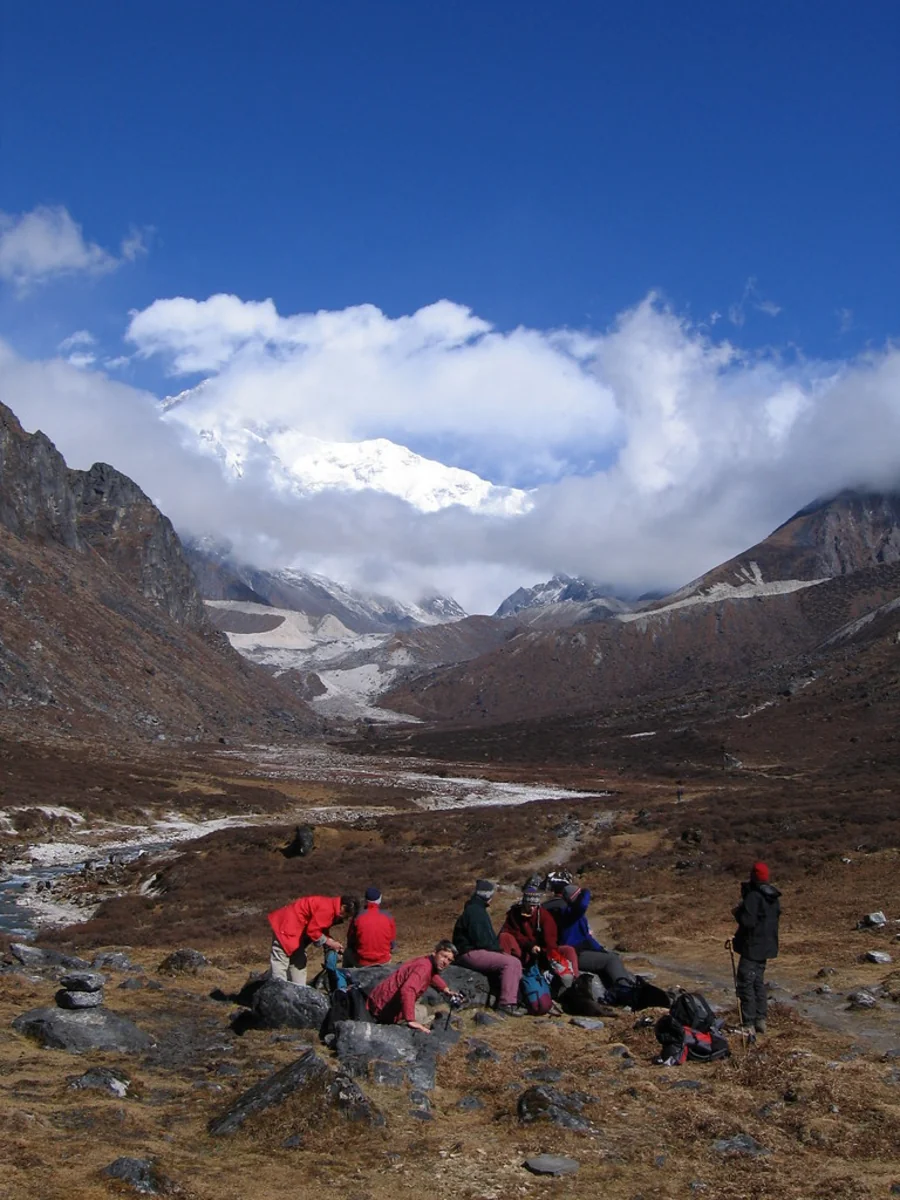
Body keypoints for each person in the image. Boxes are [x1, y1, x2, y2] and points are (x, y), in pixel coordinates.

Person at [544, 881, 637, 993]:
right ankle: (626, 992)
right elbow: (582, 905)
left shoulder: (574, 915)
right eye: (578, 896)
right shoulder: (569, 915)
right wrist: (585, 891)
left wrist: (600, 950)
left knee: (611, 956)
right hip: (577, 954)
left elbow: (587, 938)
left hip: (583, 950)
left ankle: (621, 988)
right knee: (612, 960)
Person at [452, 879, 524, 1016]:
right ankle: (506, 1003)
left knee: (512, 962)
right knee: (511, 962)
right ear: (487, 896)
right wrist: (498, 951)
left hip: (469, 951)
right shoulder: (476, 912)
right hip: (470, 952)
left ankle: (514, 999)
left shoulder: (474, 909)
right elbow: (482, 940)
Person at [367, 939, 462, 1033]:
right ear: (435, 952)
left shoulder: (425, 961)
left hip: (377, 1001)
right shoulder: (424, 968)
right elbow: (408, 990)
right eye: (443, 956)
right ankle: (402, 1023)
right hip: (384, 1011)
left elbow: (431, 975)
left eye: (449, 960)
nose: (445, 962)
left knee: (418, 1000)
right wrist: (411, 1020)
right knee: (429, 1012)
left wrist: (445, 989)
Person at [267, 893, 359, 985]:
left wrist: (331, 942)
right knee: (280, 964)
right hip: (286, 929)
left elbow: (320, 928)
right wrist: (329, 943)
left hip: (294, 930)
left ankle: (300, 990)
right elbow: (312, 931)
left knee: (298, 963)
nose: (346, 918)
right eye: (347, 915)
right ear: (343, 907)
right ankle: (279, 991)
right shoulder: (327, 909)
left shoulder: (329, 906)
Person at [732, 861, 781, 1035]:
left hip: (752, 947)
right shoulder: (772, 896)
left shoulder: (754, 896)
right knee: (758, 983)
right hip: (766, 947)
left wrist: (738, 912)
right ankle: (761, 1020)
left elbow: (748, 921)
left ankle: (748, 1024)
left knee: (745, 983)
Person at [498, 883, 579, 976]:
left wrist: (544, 951)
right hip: (522, 949)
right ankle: (503, 972)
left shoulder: (544, 916)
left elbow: (551, 940)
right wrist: (529, 945)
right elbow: (512, 932)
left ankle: (575, 980)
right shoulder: (515, 913)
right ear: (524, 904)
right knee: (504, 937)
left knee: (569, 950)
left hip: (543, 951)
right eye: (530, 905)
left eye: (534, 905)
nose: (532, 908)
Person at [344, 886, 396, 967]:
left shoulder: (358, 916)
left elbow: (350, 940)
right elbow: (392, 942)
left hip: (362, 962)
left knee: (347, 952)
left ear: (365, 900)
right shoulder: (387, 916)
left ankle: (347, 976)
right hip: (383, 961)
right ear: (379, 899)